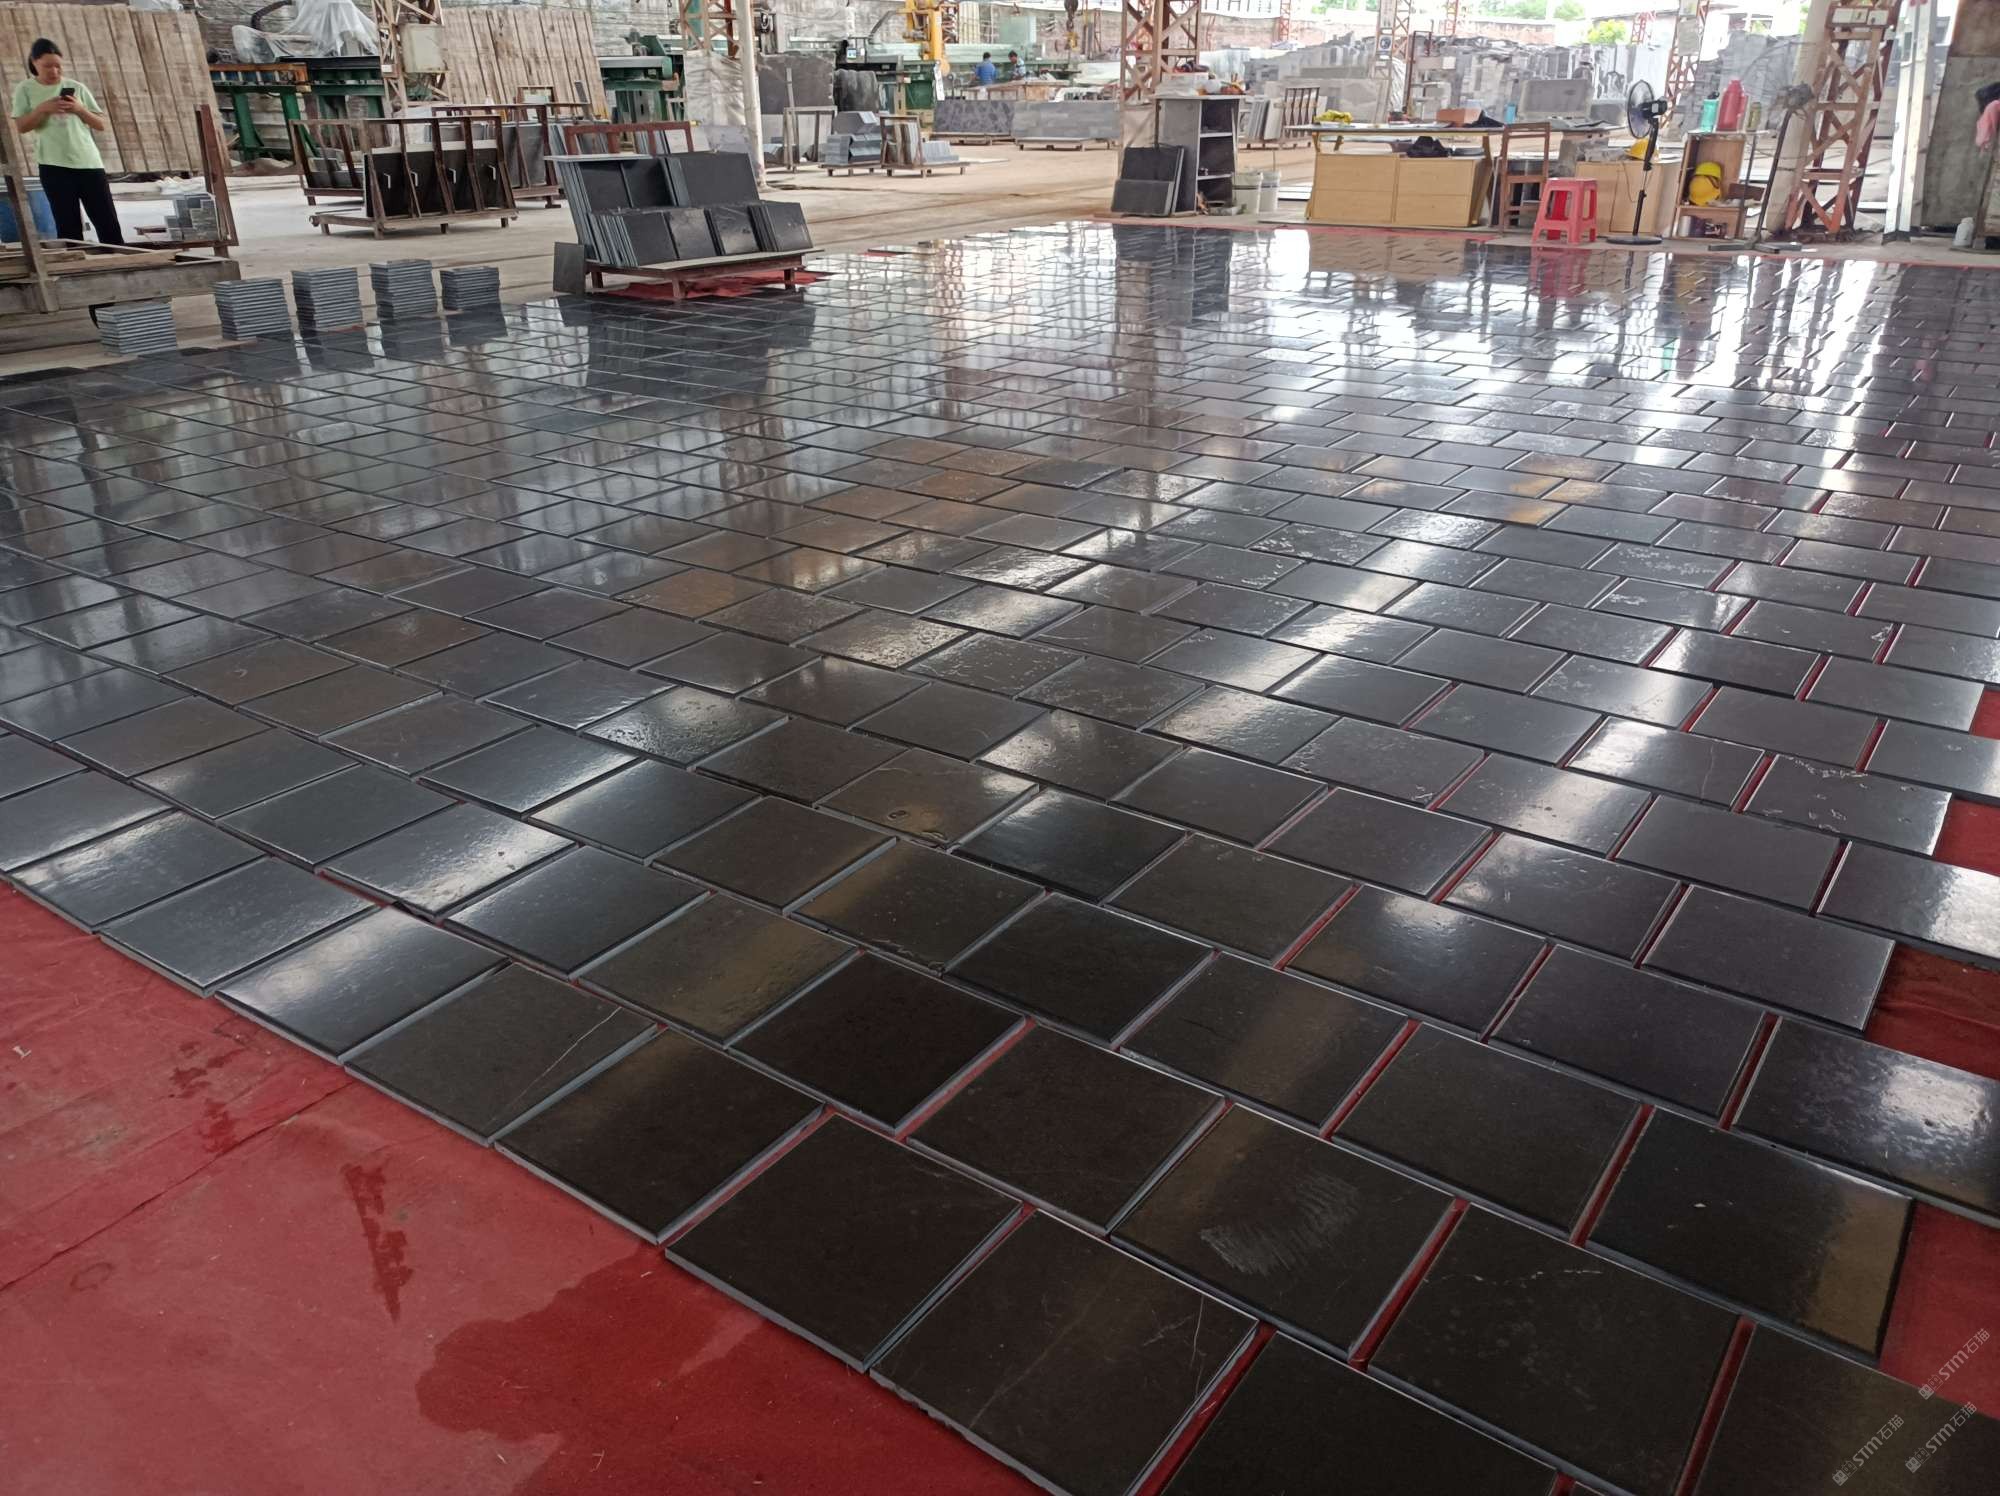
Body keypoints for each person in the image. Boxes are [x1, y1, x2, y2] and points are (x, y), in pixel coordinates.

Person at [11, 39, 122, 246]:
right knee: (68, 226)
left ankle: (119, 259)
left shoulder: (76, 87)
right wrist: (42, 109)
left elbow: (101, 124)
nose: (54, 71)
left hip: (88, 162)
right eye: (47, 66)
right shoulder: (25, 89)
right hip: (53, 164)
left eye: (58, 66)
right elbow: (22, 126)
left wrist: (80, 109)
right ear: (34, 62)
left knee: (107, 221)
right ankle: (76, 261)